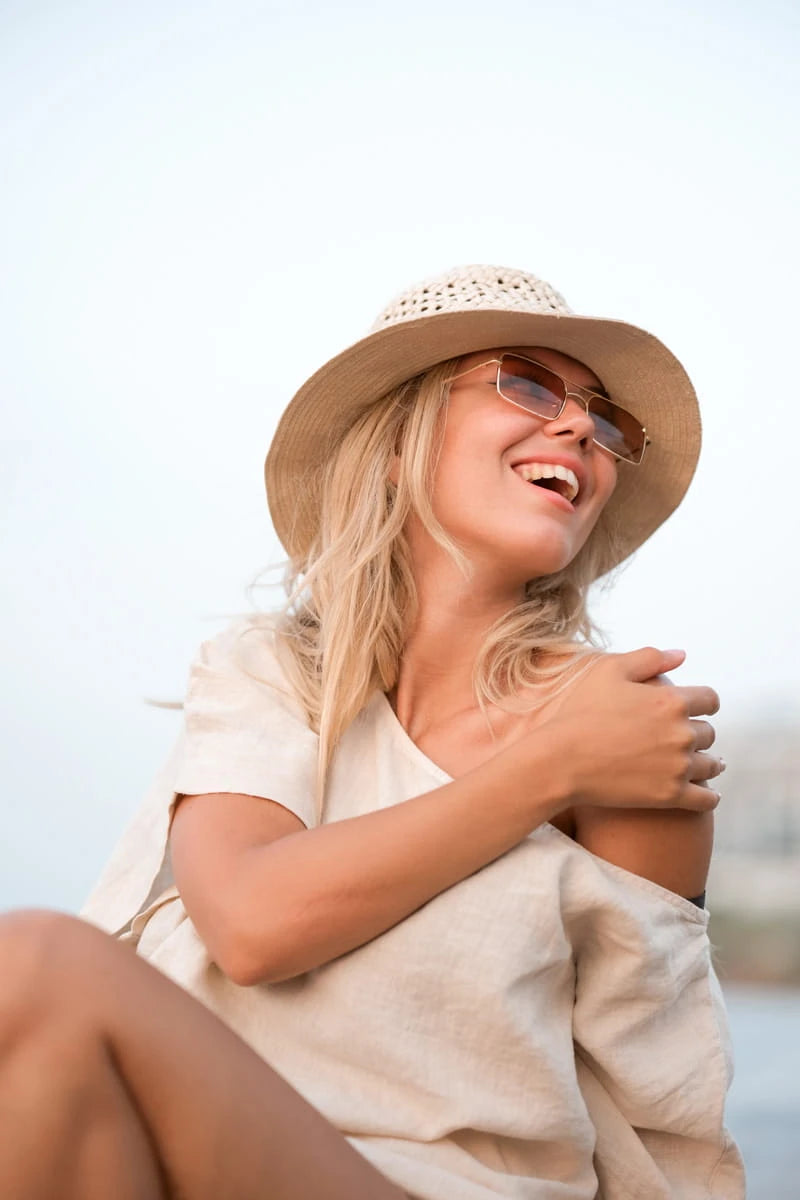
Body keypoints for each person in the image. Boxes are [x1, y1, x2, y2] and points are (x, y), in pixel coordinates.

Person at [0, 265, 745, 1199]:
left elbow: (658, 1096)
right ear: (399, 441)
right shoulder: (266, 678)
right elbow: (252, 922)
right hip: (195, 1165)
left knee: (34, 966)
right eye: (528, 382)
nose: (580, 429)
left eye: (606, 421)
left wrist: (578, 754)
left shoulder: (628, 729)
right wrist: (550, 768)